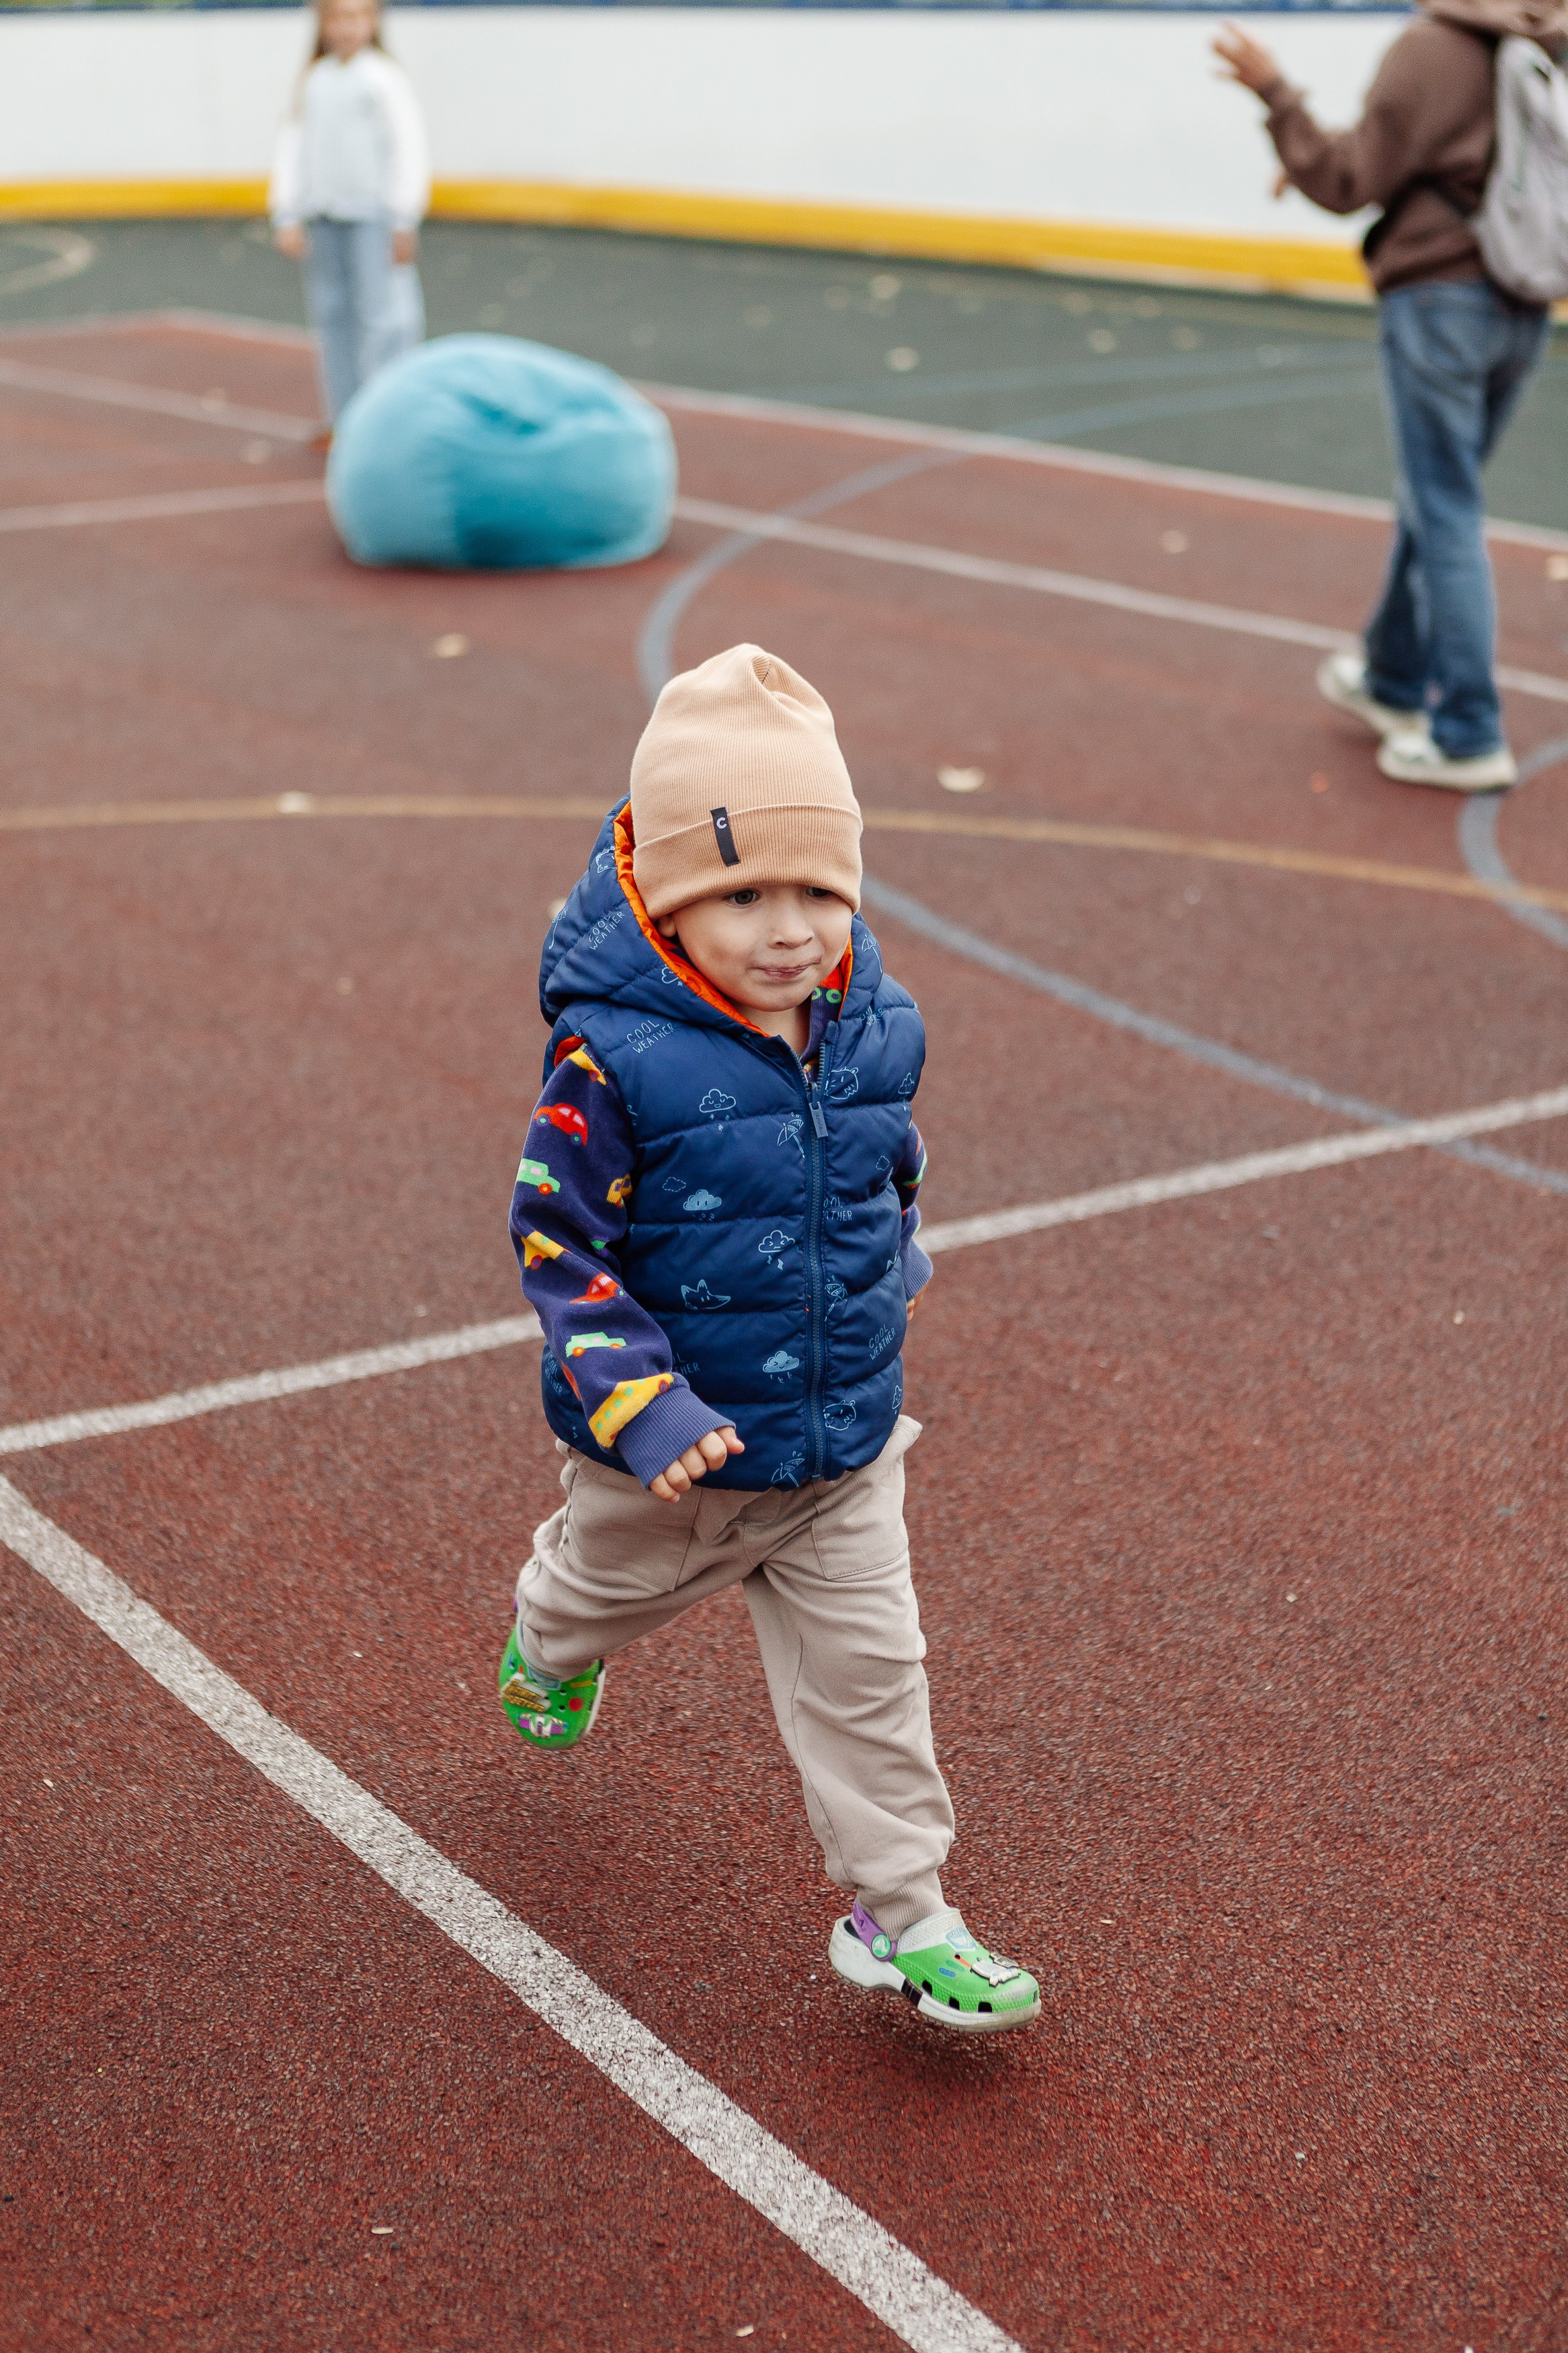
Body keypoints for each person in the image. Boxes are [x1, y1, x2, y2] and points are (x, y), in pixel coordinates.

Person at [497, 643, 1041, 2035]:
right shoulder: (612, 1061)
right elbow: (558, 1244)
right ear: (669, 902)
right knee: (590, 1603)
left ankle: (902, 1912)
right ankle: (549, 1637)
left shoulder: (876, 1023)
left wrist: (893, 1247)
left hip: (842, 1448)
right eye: (741, 894)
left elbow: (882, 1156)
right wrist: (642, 1406)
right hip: (670, 1461)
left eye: (815, 886)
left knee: (877, 1683)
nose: (788, 926)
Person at [1216, 0, 1568, 791]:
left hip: (1443, 298)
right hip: (1522, 305)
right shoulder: (1542, 44)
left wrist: (1275, 93)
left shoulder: (1432, 45)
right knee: (1436, 496)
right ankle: (1391, 678)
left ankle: (1469, 730)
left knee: (1443, 506)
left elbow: (1348, 178)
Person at [269, 0, 429, 434]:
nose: (349, 27)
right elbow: (294, 146)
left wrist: (403, 217)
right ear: (322, 22)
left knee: (386, 320)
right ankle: (345, 420)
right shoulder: (315, 80)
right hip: (325, 217)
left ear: (375, 21)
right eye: (338, 16)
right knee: (334, 315)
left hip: (373, 219)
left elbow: (406, 148)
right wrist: (288, 211)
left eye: (360, 16)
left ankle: (389, 425)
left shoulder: (383, 78)